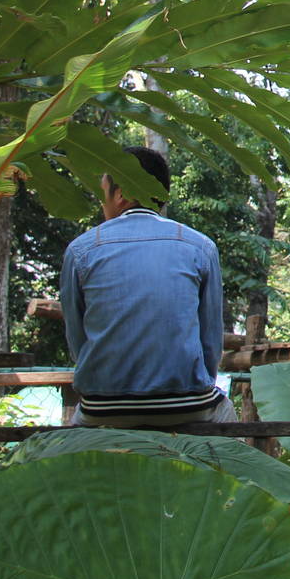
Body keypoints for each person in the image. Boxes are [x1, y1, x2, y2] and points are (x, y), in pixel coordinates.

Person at [61, 146, 236, 426]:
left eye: (102, 191)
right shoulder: (200, 246)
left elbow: (77, 339)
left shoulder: (81, 250)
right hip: (187, 405)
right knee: (227, 416)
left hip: (103, 407)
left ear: (119, 194)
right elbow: (210, 341)